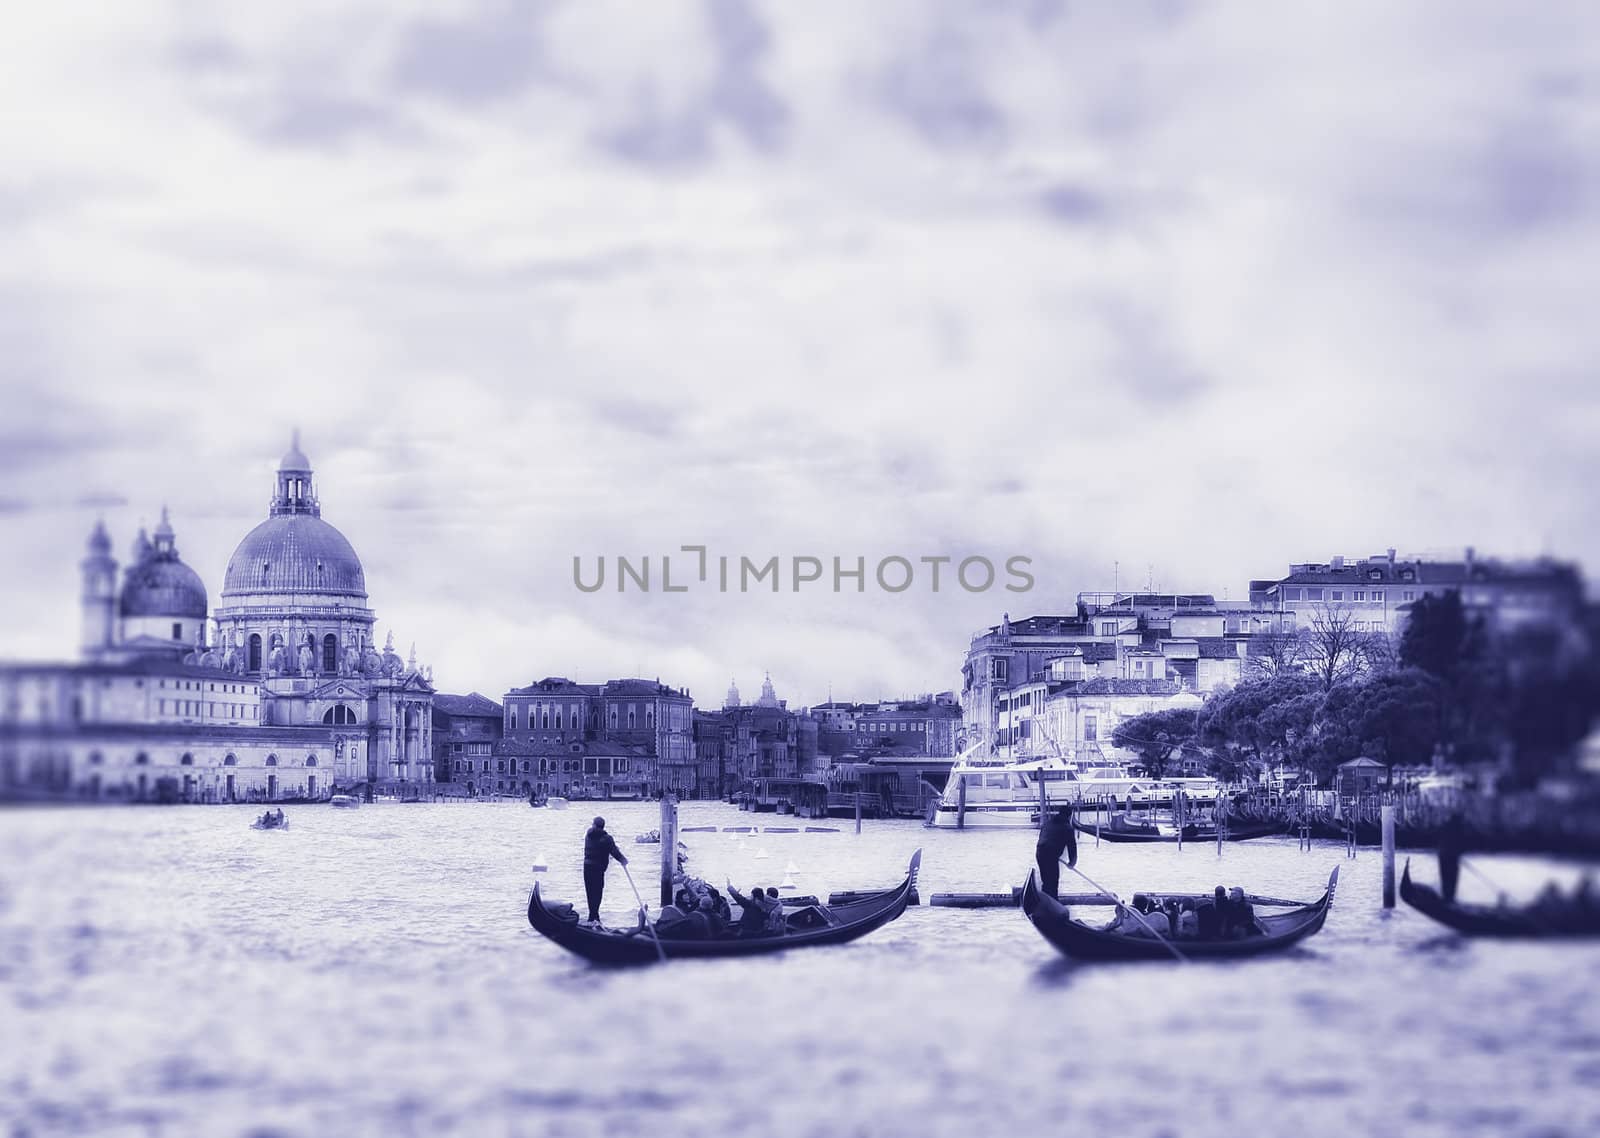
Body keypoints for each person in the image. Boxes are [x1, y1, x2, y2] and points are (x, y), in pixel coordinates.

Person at [581, 816, 627, 925]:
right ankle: (594, 917)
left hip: (587, 867)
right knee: (597, 892)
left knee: (590, 892)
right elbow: (614, 852)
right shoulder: (607, 838)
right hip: (598, 869)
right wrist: (623, 860)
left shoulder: (588, 835)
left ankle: (592, 916)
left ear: (594, 825)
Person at [1035, 804, 1078, 899]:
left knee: (1046, 880)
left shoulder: (1048, 823)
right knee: (1053, 881)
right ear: (1069, 816)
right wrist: (1072, 862)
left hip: (1040, 852)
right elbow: (1072, 847)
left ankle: (1045, 900)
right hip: (1050, 855)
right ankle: (1052, 902)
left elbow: (1043, 838)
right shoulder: (1068, 828)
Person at [1437, 811, 1466, 904]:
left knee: (1446, 878)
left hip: (1445, 856)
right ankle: (1449, 898)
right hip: (1450, 857)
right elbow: (1459, 844)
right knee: (1451, 878)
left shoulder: (1447, 827)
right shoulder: (1458, 828)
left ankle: (1447, 898)